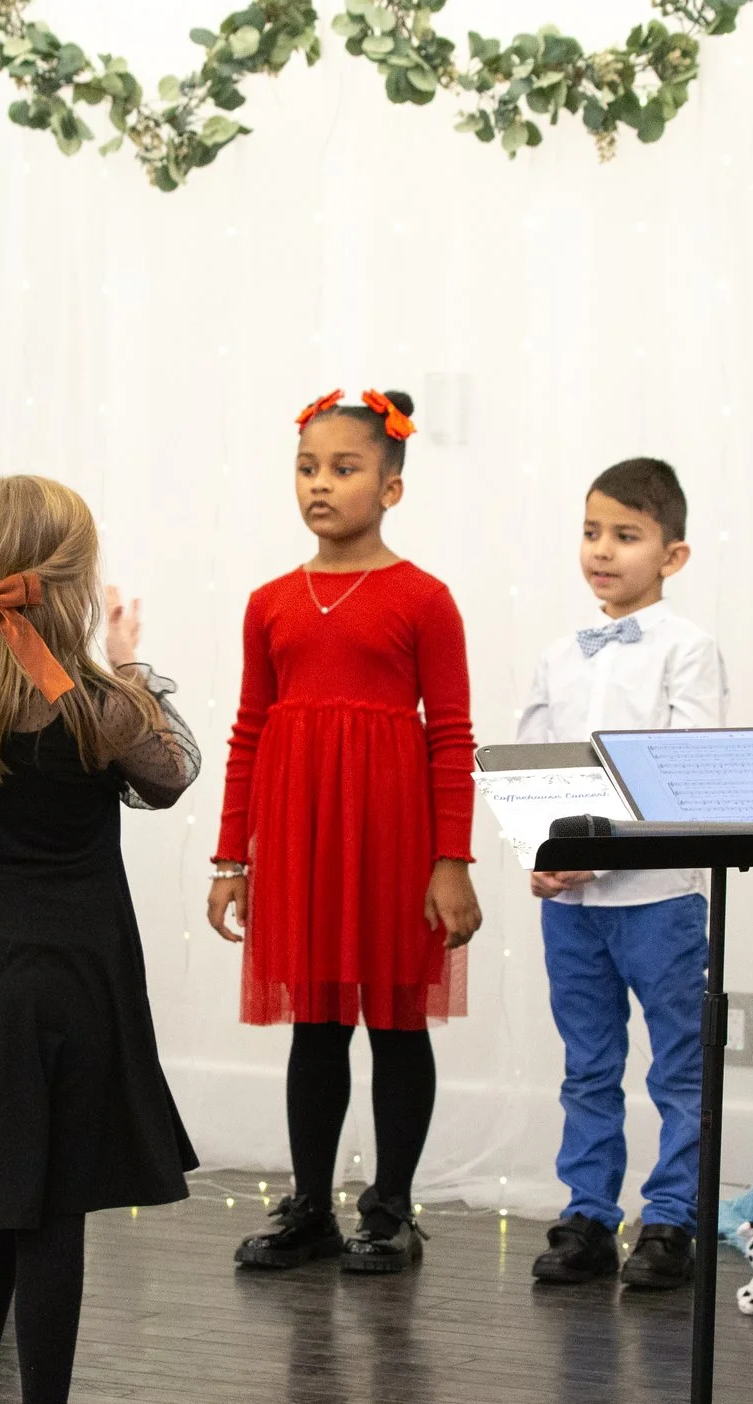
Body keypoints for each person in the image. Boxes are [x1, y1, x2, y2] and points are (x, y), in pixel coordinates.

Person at [0, 474, 200, 1404]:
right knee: (54, 1205)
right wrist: (128, 663)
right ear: (71, 580)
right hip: (77, 973)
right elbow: (170, 776)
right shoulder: (100, 707)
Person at [214, 389, 482, 1276]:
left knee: (398, 1023)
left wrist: (452, 859)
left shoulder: (425, 600)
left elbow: (451, 734)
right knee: (316, 1027)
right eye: (306, 468)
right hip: (299, 838)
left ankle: (393, 1209)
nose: (320, 485)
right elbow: (249, 731)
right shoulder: (268, 603)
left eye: (343, 468)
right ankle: (310, 1207)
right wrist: (231, 857)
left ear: (391, 487)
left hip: (392, 839)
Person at [517, 458, 727, 1291]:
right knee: (588, 1061)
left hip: (658, 897)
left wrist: (606, 848)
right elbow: (531, 764)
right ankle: (589, 1215)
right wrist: (544, 851)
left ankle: (672, 1217)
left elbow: (683, 768)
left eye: (627, 536)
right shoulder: (558, 655)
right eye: (593, 532)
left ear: (672, 556)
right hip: (572, 904)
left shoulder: (689, 648)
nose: (603, 551)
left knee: (678, 1063)